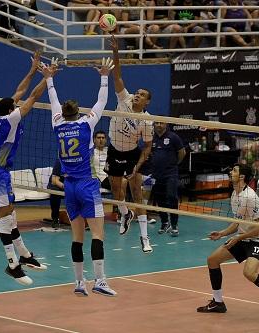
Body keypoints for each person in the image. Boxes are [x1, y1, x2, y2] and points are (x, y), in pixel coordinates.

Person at [43, 58, 117, 296]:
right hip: (87, 185)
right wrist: (104, 76)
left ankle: (78, 283)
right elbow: (102, 101)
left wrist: (49, 78)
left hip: (69, 187)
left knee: (77, 237)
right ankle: (100, 281)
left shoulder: (57, 125)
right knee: (98, 234)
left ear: (63, 113)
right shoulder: (87, 124)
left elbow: (53, 101)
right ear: (78, 112)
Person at [196, 163, 259, 321]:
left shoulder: (250, 197)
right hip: (242, 237)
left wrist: (237, 238)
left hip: (258, 239)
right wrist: (222, 233)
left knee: (249, 273)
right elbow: (237, 222)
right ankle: (218, 302)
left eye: (234, 170)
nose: (230, 171)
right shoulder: (235, 194)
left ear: (241, 176)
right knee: (212, 260)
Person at [0, 51, 47, 285]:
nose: (17, 103)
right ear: (12, 110)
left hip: (0, 173)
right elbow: (32, 98)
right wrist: (47, 78)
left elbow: (19, 92)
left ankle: (26, 256)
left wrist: (32, 71)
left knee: (10, 216)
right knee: (5, 219)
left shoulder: (0, 115)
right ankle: (12, 264)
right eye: (15, 106)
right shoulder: (11, 119)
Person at [108, 35, 154, 253]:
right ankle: (125, 214)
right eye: (137, 93)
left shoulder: (147, 119)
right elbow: (117, 74)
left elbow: (147, 147)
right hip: (113, 149)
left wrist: (137, 166)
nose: (137, 95)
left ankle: (145, 238)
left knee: (137, 193)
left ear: (147, 102)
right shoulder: (123, 99)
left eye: (142, 95)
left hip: (131, 154)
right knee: (116, 192)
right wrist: (116, 51)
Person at [150, 121, 186, 236]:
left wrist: (174, 165)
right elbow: (148, 152)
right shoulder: (151, 137)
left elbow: (182, 152)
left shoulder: (173, 137)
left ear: (166, 125)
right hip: (156, 174)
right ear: (154, 125)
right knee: (159, 199)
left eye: (162, 123)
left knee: (172, 196)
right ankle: (164, 222)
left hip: (170, 173)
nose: (159, 125)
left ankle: (174, 225)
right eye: (157, 123)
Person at [48, 158, 64, 228]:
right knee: (55, 192)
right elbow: (54, 181)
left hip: (69, 182)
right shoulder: (59, 162)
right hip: (56, 183)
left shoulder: (78, 161)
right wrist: (66, 187)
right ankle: (55, 218)